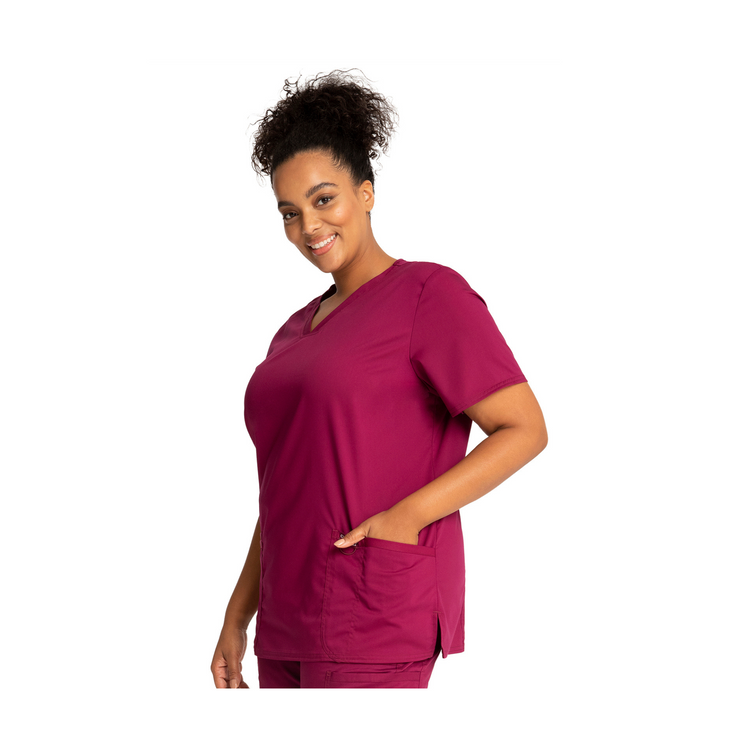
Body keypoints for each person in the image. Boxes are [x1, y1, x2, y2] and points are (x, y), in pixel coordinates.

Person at [211, 71, 548, 689]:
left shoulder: (428, 295)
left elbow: (524, 429)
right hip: (285, 619)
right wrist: (239, 615)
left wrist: (406, 516)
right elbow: (285, 487)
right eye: (289, 213)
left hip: (372, 612)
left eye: (324, 199)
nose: (308, 227)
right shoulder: (292, 332)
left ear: (366, 193)